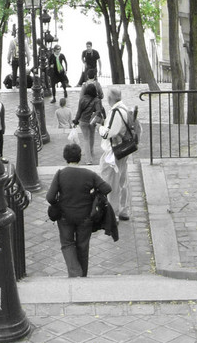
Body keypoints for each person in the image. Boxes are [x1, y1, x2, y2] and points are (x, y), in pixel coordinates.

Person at [46, 142, 111, 277]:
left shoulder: (60, 174)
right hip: (85, 216)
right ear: (80, 157)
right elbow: (107, 188)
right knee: (83, 246)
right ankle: (83, 276)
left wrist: (59, 202)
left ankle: (75, 272)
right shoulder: (89, 174)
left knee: (67, 244)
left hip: (65, 216)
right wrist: (93, 195)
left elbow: (50, 197)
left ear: (65, 157)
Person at [98, 87, 138, 222]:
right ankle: (123, 209)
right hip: (124, 149)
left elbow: (108, 133)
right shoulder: (126, 109)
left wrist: (99, 127)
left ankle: (112, 213)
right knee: (122, 179)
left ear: (110, 99)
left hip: (113, 151)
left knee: (110, 181)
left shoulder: (115, 111)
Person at [72, 81, 105, 164]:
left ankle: (88, 160)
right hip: (92, 121)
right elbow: (98, 111)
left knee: (86, 139)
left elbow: (79, 111)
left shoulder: (82, 99)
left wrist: (75, 121)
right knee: (92, 136)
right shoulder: (97, 100)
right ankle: (91, 152)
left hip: (83, 121)